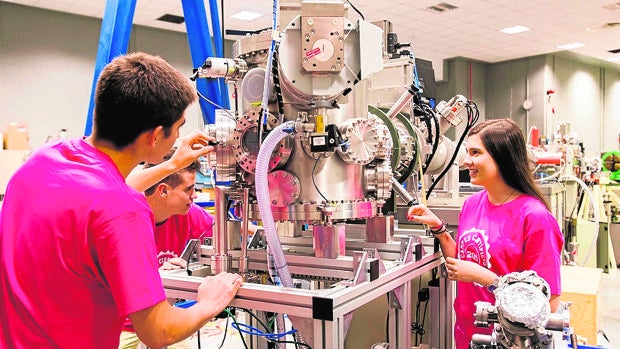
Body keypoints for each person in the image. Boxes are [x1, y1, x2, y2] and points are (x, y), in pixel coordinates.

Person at [0, 52, 243, 348]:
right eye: (178, 128)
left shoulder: (42, 160)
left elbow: (105, 190)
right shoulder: (125, 210)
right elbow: (158, 332)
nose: (178, 137)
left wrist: (171, 165)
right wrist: (209, 302)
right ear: (155, 137)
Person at [406, 118, 563, 349]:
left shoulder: (534, 217)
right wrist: (439, 229)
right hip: (467, 332)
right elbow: (462, 265)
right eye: (467, 152)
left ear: (503, 157)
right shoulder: (472, 204)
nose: (467, 161)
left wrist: (486, 278)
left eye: (476, 152)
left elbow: (548, 304)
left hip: (508, 341)